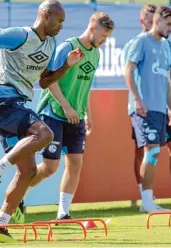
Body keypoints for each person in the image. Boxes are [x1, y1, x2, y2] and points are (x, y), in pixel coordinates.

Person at [0, 0, 84, 243]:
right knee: (45, 134)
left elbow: (44, 81)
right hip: (0, 99)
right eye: (59, 20)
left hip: (13, 104)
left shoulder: (50, 44)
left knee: (28, 170)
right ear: (45, 15)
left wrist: (66, 66)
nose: (61, 26)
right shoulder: (20, 35)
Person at [23, 12, 114, 221]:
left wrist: (86, 114)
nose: (104, 41)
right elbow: (48, 80)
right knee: (49, 168)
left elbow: (85, 87)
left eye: (107, 37)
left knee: (75, 164)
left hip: (76, 118)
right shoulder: (67, 47)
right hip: (54, 112)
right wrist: (66, 107)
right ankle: (18, 196)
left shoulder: (96, 54)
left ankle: (63, 213)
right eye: (103, 36)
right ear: (92, 29)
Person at [124, 4, 171, 210]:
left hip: (160, 109)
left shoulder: (166, 46)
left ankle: (150, 202)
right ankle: (147, 202)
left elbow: (166, 79)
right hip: (144, 109)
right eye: (168, 24)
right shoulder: (141, 42)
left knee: (155, 152)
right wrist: (137, 99)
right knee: (151, 152)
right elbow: (128, 71)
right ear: (157, 21)